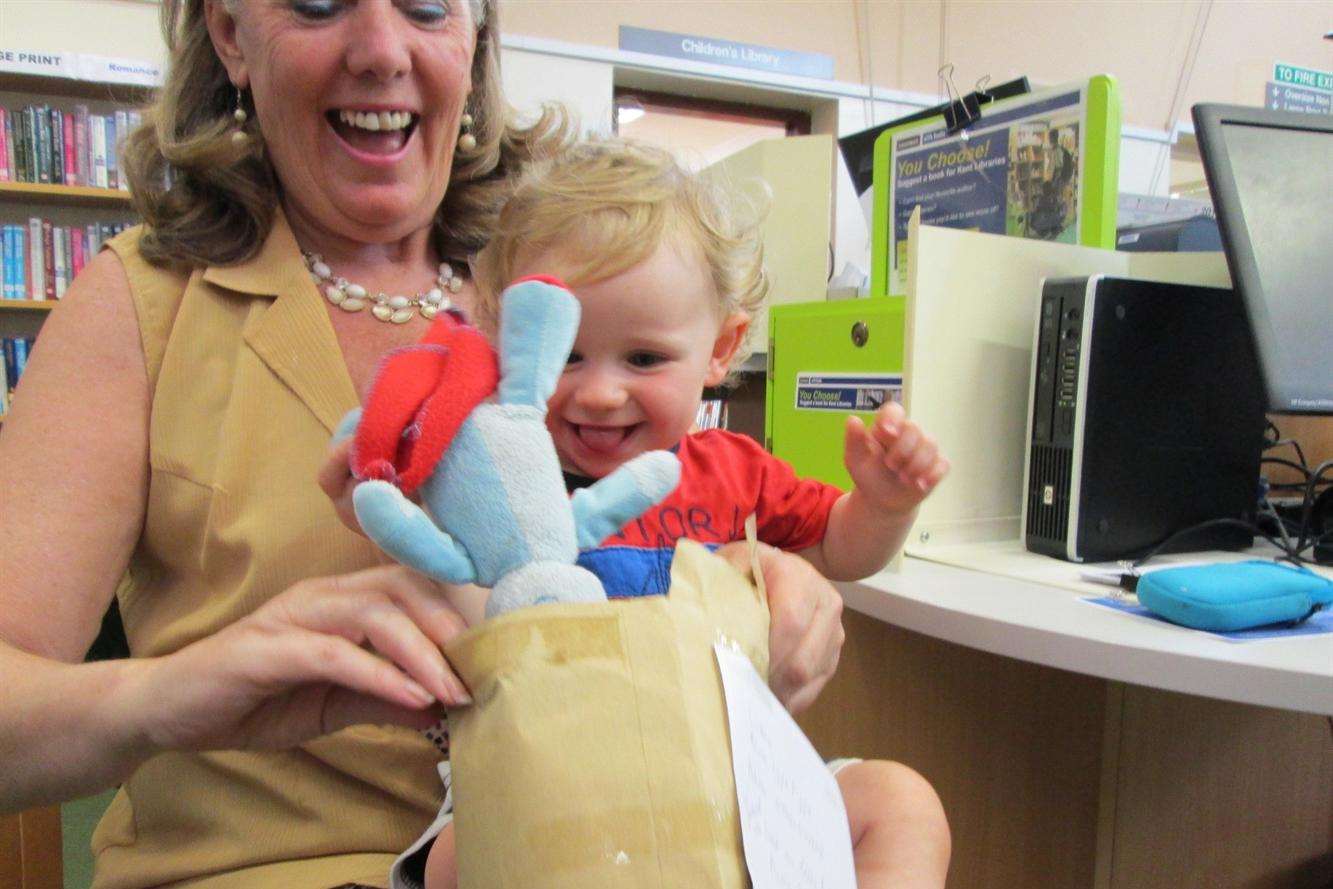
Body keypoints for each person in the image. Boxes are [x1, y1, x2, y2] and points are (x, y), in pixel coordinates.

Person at [0, 3, 848, 887]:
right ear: (227, 34)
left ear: (474, 37)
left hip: (617, 836)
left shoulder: (572, 263)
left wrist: (747, 589)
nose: (380, 49)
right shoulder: (141, 307)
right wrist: (172, 694)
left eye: (428, 6)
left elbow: (650, 527)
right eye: (318, 3)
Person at [420, 138, 951, 888]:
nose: (600, 392)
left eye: (642, 359)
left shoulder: (733, 470)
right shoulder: (497, 492)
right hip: (544, 787)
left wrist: (886, 503)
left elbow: (841, 549)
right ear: (504, 340)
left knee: (901, 802)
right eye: (566, 355)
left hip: (733, 783)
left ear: (720, 349)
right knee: (452, 859)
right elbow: (456, 616)